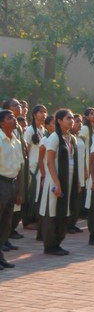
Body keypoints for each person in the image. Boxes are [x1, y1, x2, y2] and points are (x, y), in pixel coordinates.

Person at [40, 109, 78, 256]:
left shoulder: (71, 138)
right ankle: (50, 246)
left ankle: (58, 242)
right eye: (68, 118)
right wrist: (57, 183)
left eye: (72, 118)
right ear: (59, 121)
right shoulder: (54, 137)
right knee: (52, 213)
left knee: (63, 213)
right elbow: (49, 162)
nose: (72, 120)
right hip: (55, 181)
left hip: (68, 180)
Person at [0, 109, 23, 268]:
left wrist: (19, 191)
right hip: (1, 182)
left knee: (6, 223)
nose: (14, 120)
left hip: (12, 183)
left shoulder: (16, 141)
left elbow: (19, 167)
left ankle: (0, 256)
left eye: (14, 117)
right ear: (1, 123)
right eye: (10, 118)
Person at [23, 104, 48, 230]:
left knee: (38, 193)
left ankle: (35, 218)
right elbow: (25, 149)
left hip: (41, 166)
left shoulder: (43, 130)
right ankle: (28, 221)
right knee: (31, 193)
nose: (44, 114)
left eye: (45, 112)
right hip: (32, 167)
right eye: (41, 112)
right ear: (34, 115)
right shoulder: (30, 130)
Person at [66, 113, 86, 234]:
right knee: (71, 198)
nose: (79, 124)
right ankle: (67, 224)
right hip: (72, 172)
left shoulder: (80, 137)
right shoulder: (68, 137)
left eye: (80, 122)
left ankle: (73, 222)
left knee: (78, 199)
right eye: (76, 121)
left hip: (81, 170)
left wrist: (85, 170)